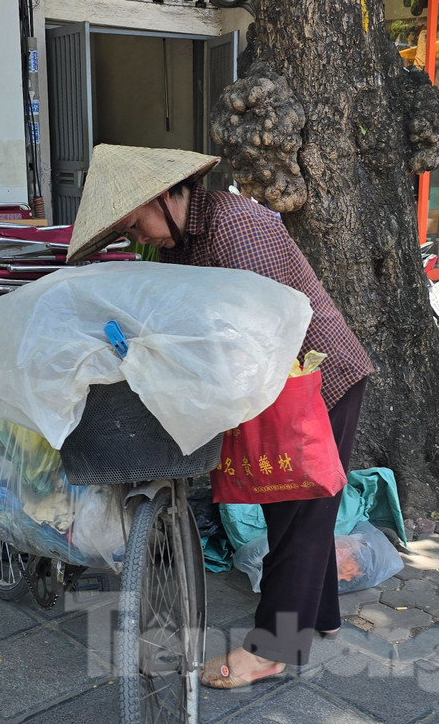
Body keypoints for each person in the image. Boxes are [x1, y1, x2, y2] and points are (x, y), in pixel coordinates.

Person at [65, 144, 374, 689]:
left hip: (319, 373)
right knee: (301, 508)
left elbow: (253, 334)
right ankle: (318, 616)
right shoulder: (185, 240)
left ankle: (274, 647)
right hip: (282, 379)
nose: (140, 240)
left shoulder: (237, 228)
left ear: (164, 196)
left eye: (136, 225)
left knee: (301, 508)